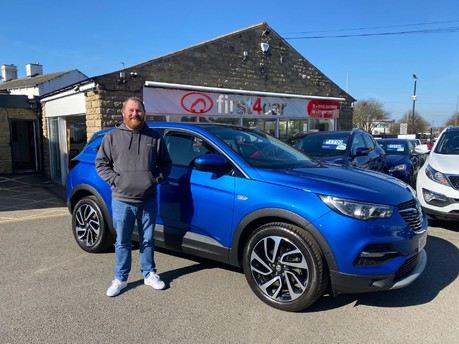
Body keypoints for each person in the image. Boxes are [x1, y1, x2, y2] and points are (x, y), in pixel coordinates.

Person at [96, 96, 172, 297]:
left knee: (147, 239)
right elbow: (101, 164)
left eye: (138, 110)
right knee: (122, 241)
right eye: (131, 110)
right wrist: (117, 181)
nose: (134, 114)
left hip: (147, 199)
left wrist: (155, 179)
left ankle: (149, 273)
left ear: (143, 113)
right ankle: (120, 278)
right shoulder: (112, 137)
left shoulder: (154, 137)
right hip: (121, 200)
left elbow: (166, 163)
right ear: (123, 112)